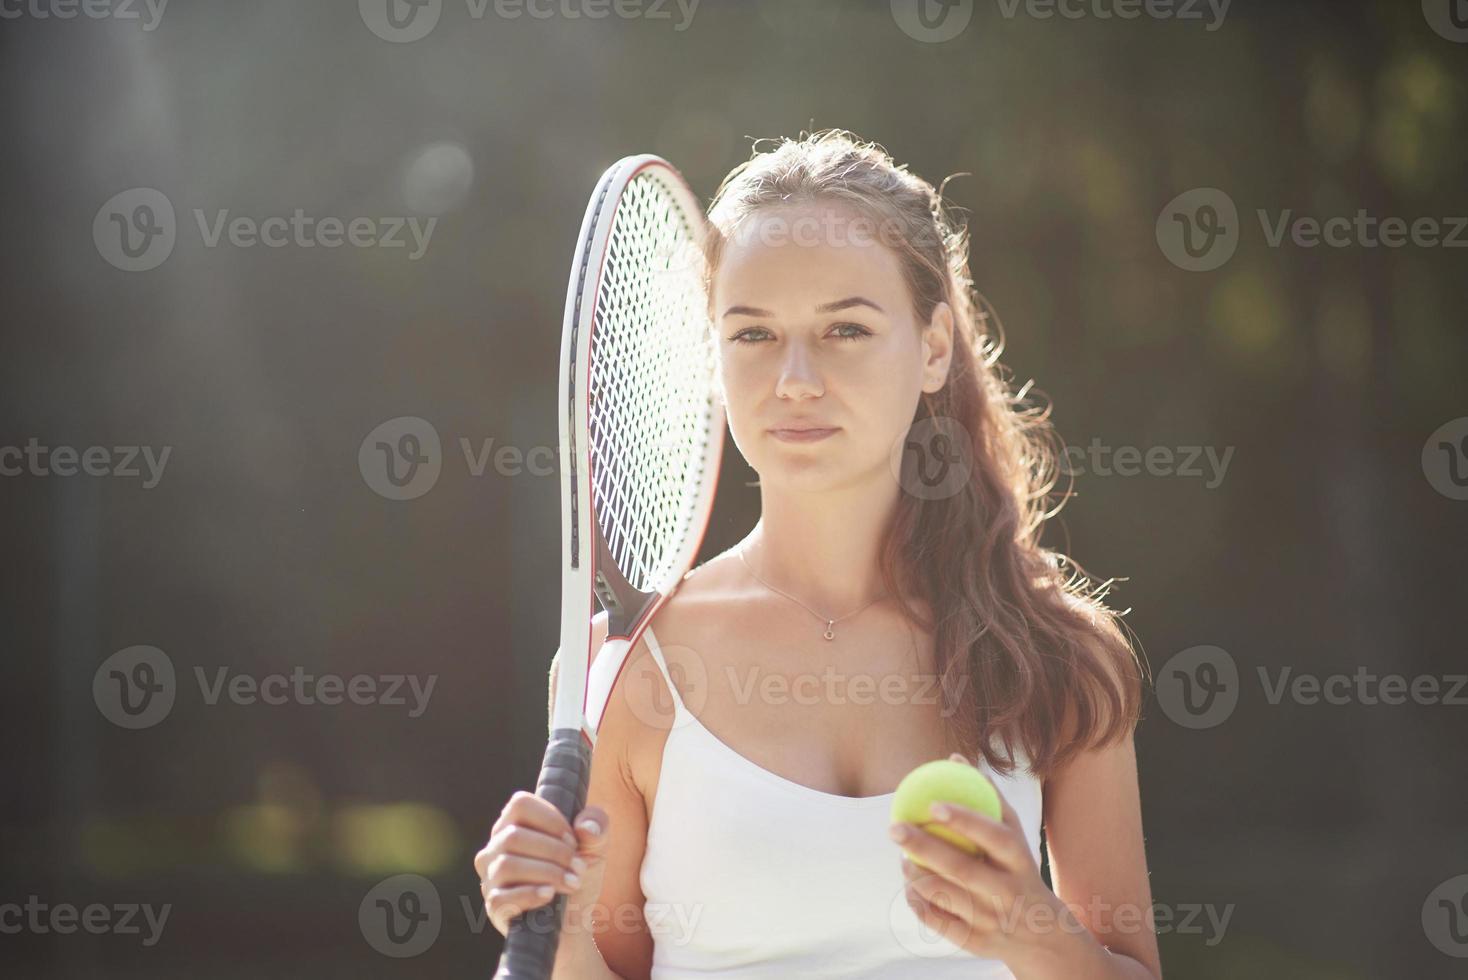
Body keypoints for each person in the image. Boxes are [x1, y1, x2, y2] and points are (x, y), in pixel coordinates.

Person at [476, 130, 1161, 979]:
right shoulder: (628, 666)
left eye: (845, 328)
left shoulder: (1060, 655)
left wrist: (1031, 931)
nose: (795, 379)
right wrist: (565, 934)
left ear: (935, 346)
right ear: (711, 354)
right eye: (754, 334)